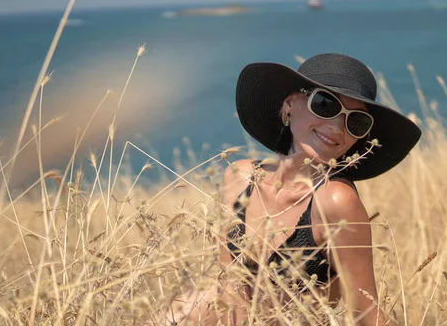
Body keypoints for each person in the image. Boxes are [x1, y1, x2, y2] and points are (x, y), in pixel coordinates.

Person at [155, 53, 421, 325]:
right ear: (291, 104)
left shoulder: (335, 201)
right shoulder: (240, 176)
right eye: (325, 104)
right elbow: (228, 278)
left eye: (356, 122)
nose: (337, 127)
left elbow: (367, 315)